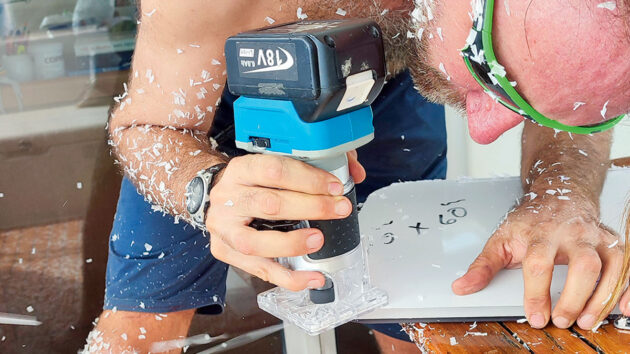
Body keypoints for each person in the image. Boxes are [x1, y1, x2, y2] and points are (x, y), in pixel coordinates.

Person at [84, 0, 630, 353]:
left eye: (517, 100)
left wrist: (561, 196)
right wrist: (204, 188)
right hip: (200, 106)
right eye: (491, 75)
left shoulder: (443, 39)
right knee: (138, 333)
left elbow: (571, 88)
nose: (485, 132)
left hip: (395, 68)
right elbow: (145, 125)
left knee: (416, 316)